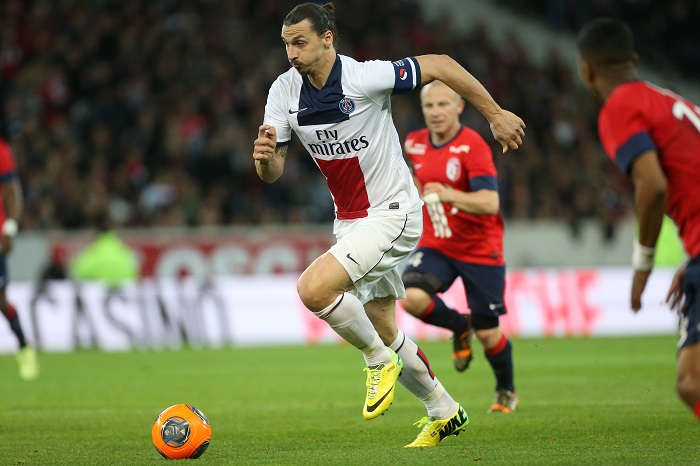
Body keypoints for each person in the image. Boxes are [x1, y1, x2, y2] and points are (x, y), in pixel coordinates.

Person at [253, 2, 525, 447]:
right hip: (350, 222)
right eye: (286, 44)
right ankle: (444, 409)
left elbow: (440, 64)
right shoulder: (283, 91)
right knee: (382, 324)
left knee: (313, 290)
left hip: (393, 213)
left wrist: (494, 114)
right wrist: (265, 159)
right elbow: (273, 171)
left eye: (300, 42)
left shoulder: (364, 77)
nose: (292, 53)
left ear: (327, 38)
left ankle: (378, 361)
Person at [577, 17, 700, 421]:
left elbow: (653, 185)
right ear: (633, 60)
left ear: (586, 69)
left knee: (692, 382)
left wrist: (643, 265)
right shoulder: (670, 101)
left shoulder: (620, 107)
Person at [400, 80, 518, 414]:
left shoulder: (473, 146)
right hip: (437, 243)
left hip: (480, 249)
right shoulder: (414, 142)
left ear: (459, 107)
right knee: (411, 296)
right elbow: (416, 181)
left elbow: (490, 202)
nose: (436, 112)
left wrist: (448, 194)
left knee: (489, 334)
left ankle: (506, 390)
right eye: (429, 106)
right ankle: (459, 326)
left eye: (443, 105)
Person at [0, 138, 38, 381]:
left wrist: (10, 228)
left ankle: (24, 346)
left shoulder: (1, 151)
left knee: (1, 301)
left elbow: (12, 190)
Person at [70, 213, 139, 288]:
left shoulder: (91, 253)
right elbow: (135, 274)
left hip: (98, 292)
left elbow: (75, 272)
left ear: (96, 234)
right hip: (126, 292)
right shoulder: (126, 253)